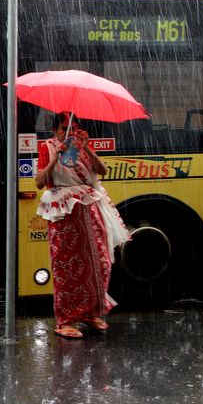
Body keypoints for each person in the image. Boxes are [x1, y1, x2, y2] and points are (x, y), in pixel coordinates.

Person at [35, 112, 131, 338]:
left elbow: (102, 170)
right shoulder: (48, 148)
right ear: (54, 132)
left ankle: (92, 313)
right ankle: (66, 320)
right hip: (65, 214)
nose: (68, 134)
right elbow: (40, 182)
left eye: (73, 128)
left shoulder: (82, 148)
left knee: (100, 262)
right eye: (62, 129)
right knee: (68, 267)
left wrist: (86, 148)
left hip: (90, 210)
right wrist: (55, 159)